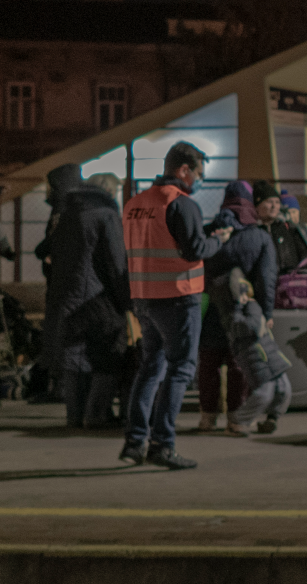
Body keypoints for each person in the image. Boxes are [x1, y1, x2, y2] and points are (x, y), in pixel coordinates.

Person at [121, 141, 231, 469]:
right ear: (183, 170)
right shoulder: (182, 203)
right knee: (181, 367)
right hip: (178, 296)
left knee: (151, 367)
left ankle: (134, 442)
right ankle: (163, 444)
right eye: (198, 174)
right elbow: (193, 249)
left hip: (144, 297)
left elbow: (161, 240)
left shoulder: (135, 204)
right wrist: (218, 241)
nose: (198, 182)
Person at [43, 165, 129, 430]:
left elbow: (45, 250)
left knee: (73, 355)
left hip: (63, 295)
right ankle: (97, 414)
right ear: (109, 191)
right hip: (94, 297)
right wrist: (127, 301)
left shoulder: (67, 214)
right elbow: (116, 263)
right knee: (111, 353)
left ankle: (74, 416)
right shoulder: (105, 215)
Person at [199, 180, 278, 432]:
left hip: (211, 307)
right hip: (243, 309)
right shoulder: (259, 236)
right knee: (239, 363)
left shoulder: (208, 231)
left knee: (209, 363)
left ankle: (207, 417)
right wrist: (266, 313)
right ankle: (236, 419)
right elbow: (267, 279)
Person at [224, 268, 292, 436]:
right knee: (265, 392)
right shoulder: (235, 310)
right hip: (253, 355)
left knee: (284, 389)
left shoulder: (251, 306)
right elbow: (249, 327)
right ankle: (237, 422)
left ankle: (272, 418)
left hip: (269, 353)